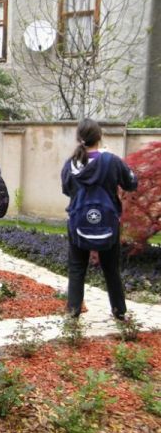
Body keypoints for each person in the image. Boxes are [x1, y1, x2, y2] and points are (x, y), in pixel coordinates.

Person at [61, 118, 138, 320]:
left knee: (77, 266)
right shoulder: (111, 161)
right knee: (111, 268)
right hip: (108, 223)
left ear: (79, 138)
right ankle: (119, 310)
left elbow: (66, 189)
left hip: (78, 223)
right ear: (99, 137)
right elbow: (131, 183)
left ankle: (73, 310)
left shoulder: (71, 164)